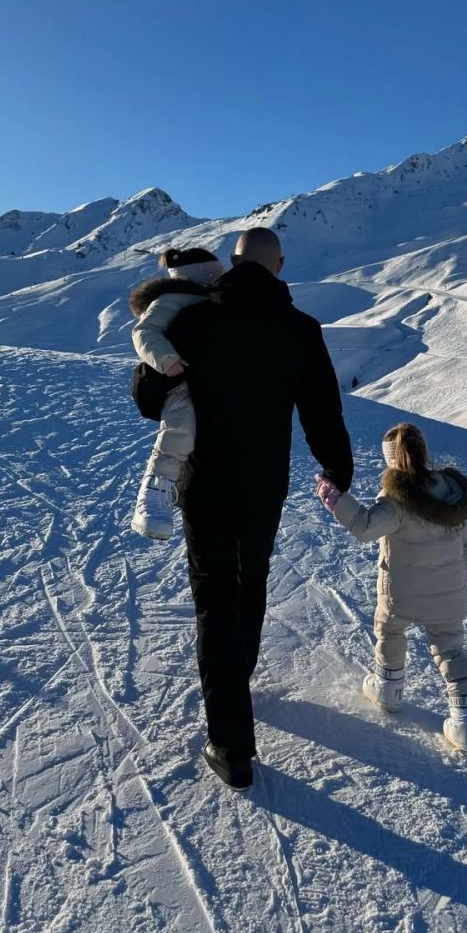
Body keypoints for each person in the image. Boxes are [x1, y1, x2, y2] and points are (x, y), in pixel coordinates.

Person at [167, 227, 353, 789]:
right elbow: (322, 407)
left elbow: (148, 397)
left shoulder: (194, 320)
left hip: (203, 479)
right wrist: (336, 470)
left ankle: (229, 743)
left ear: (232, 262)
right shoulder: (299, 327)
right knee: (251, 581)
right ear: (280, 266)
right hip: (264, 481)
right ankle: (235, 681)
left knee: (214, 594)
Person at [316, 422, 467, 754]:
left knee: (390, 630)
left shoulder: (396, 501)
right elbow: (466, 549)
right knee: (451, 650)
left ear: (391, 460)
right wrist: (454, 581)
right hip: (449, 597)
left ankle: (388, 688)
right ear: (425, 452)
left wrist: (335, 500)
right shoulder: (452, 495)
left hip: (402, 595)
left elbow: (365, 526)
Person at [128, 247, 225, 539]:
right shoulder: (171, 299)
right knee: (182, 423)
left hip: (204, 376)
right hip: (180, 377)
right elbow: (144, 332)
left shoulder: (214, 300)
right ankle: (154, 490)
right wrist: (167, 360)